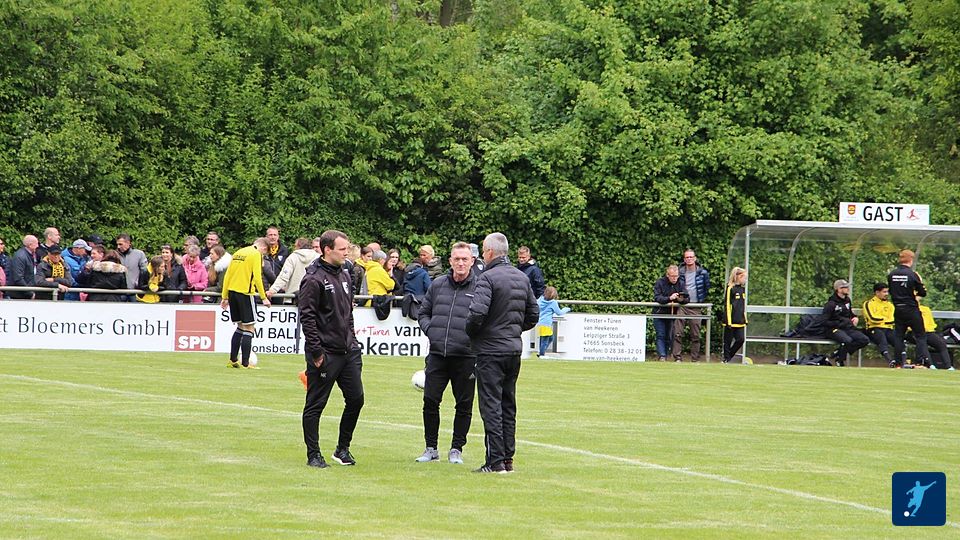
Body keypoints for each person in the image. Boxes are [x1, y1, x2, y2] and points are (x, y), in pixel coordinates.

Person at [466, 232, 539, 473]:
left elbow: (477, 314)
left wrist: (474, 334)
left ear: (489, 252)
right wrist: (513, 330)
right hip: (513, 350)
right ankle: (508, 459)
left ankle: (495, 461)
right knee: (508, 405)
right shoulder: (521, 277)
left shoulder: (487, 278)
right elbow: (533, 315)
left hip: (490, 351)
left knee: (491, 406)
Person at [299, 230, 364, 469]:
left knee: (356, 399)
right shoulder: (313, 279)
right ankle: (313, 454)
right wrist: (316, 352)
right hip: (325, 353)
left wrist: (353, 341)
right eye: (342, 249)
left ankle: (342, 448)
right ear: (327, 250)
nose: (347, 253)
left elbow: (348, 312)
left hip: (348, 351)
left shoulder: (346, 274)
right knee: (315, 404)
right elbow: (307, 318)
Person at [414, 242, 478, 465]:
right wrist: (432, 331)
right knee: (430, 401)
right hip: (438, 355)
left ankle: (456, 449)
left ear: (472, 261)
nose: (460, 263)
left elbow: (486, 320)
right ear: (450, 261)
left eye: (464, 259)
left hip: (466, 357)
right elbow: (423, 313)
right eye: (456, 259)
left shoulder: (481, 287)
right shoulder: (438, 284)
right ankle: (431, 448)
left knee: (464, 405)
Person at [220, 238, 270, 368]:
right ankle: (246, 363)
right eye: (264, 253)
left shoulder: (239, 252)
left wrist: (224, 296)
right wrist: (263, 297)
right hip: (245, 293)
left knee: (240, 327)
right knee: (249, 328)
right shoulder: (256, 254)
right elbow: (257, 277)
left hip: (232, 292)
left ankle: (233, 360)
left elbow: (228, 275)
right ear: (263, 248)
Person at [888, 249, 931, 368]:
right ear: (911, 260)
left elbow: (891, 291)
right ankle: (919, 361)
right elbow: (922, 292)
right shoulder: (912, 274)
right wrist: (917, 293)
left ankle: (898, 362)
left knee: (899, 336)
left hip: (898, 308)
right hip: (911, 309)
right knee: (920, 335)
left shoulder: (892, 274)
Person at [673, 249, 710, 362]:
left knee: (695, 334)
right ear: (684, 259)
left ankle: (695, 358)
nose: (689, 259)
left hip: (696, 306)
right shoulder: (680, 272)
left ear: (695, 258)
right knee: (678, 332)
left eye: (691, 257)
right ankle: (677, 357)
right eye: (687, 257)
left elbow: (706, 288)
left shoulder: (703, 273)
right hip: (682, 306)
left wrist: (700, 300)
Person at [822, 279, 869, 367]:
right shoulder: (831, 304)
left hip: (847, 328)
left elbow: (849, 313)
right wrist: (839, 323)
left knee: (864, 340)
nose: (848, 289)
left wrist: (855, 317)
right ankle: (840, 360)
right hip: (833, 329)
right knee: (847, 340)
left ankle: (838, 353)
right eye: (845, 287)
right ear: (839, 289)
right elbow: (824, 321)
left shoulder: (847, 300)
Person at [268, 237, 319, 304]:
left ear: (298, 246)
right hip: (312, 297)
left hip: (292, 298)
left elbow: (284, 277)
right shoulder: (318, 257)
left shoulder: (293, 257)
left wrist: (272, 290)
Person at [652, 265, 686, 362]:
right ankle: (662, 356)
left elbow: (687, 298)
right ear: (667, 275)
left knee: (670, 336)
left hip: (673, 314)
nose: (675, 278)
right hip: (659, 313)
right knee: (661, 335)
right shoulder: (660, 282)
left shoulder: (681, 283)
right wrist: (669, 298)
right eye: (672, 276)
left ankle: (666, 354)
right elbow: (657, 298)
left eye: (676, 276)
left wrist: (680, 299)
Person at [862, 283, 896, 367]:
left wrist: (883, 320)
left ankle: (903, 361)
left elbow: (893, 319)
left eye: (887, 292)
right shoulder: (868, 303)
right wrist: (885, 319)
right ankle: (890, 361)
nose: (886, 294)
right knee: (881, 338)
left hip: (888, 328)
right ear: (877, 292)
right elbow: (872, 318)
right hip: (873, 328)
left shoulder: (890, 305)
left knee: (898, 339)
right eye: (884, 292)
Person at [915, 303, 955, 370]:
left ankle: (948, 366)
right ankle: (930, 365)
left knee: (941, 344)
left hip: (929, 332)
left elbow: (930, 324)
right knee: (922, 344)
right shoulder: (908, 310)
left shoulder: (926, 309)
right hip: (915, 333)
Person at [722, 267, 748, 363]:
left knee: (741, 339)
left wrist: (745, 318)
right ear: (739, 277)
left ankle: (729, 356)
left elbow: (742, 306)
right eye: (744, 278)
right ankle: (726, 359)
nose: (745, 280)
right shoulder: (730, 288)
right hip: (731, 320)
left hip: (740, 320)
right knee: (727, 341)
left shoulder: (742, 289)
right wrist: (728, 321)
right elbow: (727, 305)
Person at [536, 286, 570, 358]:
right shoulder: (553, 302)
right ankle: (542, 354)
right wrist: (566, 309)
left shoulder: (540, 299)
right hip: (546, 323)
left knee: (547, 338)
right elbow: (559, 313)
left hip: (539, 322)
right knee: (545, 339)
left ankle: (541, 351)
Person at [8, 235, 40, 299]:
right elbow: (18, 278)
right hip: (19, 295)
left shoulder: (29, 255)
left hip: (25, 293)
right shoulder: (20, 256)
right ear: (30, 245)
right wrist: (30, 293)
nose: (38, 246)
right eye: (36, 244)